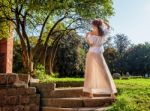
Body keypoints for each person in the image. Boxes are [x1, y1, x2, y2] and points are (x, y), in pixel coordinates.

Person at [83, 19, 117, 98]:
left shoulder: (91, 34)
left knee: (90, 73)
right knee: (104, 72)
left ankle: (91, 93)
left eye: (93, 25)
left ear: (95, 25)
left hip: (91, 53)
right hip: (98, 53)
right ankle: (112, 92)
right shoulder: (104, 33)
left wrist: (86, 37)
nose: (92, 26)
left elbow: (91, 44)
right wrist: (103, 21)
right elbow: (108, 27)